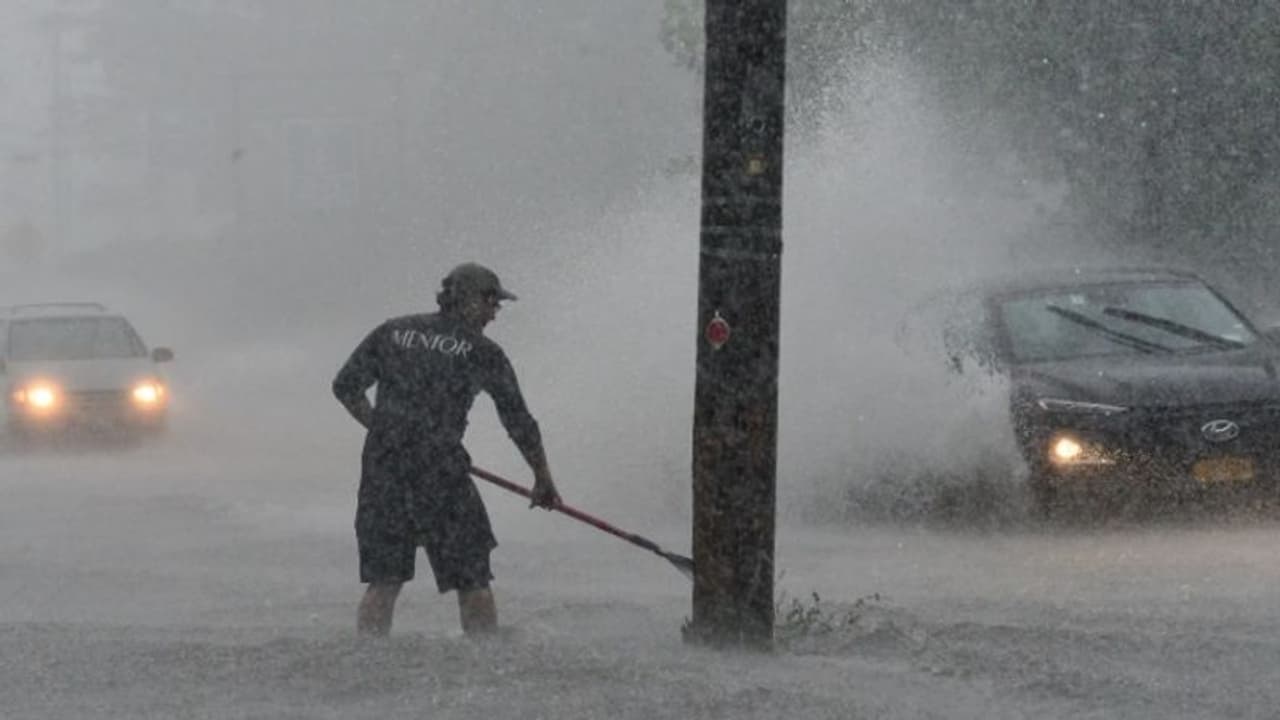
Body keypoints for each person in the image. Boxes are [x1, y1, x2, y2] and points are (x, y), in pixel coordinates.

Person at [332, 262, 561, 637]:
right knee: (473, 579)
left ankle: (368, 659)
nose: (494, 315)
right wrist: (543, 478)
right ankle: (485, 658)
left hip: (383, 470)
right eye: (492, 304)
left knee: (384, 581)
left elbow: (345, 387)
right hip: (440, 473)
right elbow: (518, 420)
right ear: (470, 300)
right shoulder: (483, 351)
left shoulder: (392, 331)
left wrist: (385, 430)